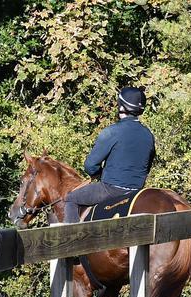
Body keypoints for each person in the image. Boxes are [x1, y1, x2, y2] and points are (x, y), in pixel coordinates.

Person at [63, 87, 156, 223]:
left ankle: (71, 240)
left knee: (70, 199)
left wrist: (99, 173)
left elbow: (90, 165)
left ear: (121, 106)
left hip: (110, 190)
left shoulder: (112, 131)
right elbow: (147, 166)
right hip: (137, 191)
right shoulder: (148, 135)